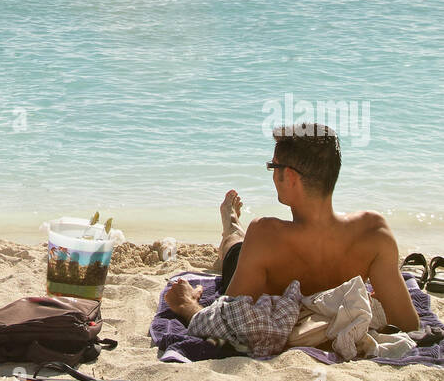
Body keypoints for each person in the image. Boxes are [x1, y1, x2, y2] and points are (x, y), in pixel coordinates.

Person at [165, 124, 420, 333]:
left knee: (235, 248)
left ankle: (230, 224)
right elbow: (408, 324)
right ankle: (230, 223)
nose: (272, 174)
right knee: (238, 246)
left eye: (272, 167)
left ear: (289, 176)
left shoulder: (265, 235)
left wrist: (186, 304)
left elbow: (223, 324)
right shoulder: (373, 231)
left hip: (252, 270)